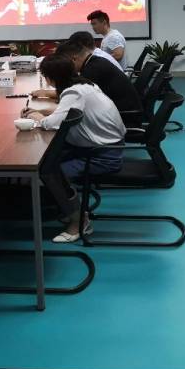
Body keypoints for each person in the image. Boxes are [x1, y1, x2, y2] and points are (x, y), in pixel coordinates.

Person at [22, 55, 126, 243]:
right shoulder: (85, 85)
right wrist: (44, 112)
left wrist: (37, 116)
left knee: (49, 173)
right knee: (49, 160)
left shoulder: (74, 93)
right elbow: (69, 112)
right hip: (104, 146)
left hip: (101, 155)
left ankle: (79, 221)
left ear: (51, 78)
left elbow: (51, 124)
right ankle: (65, 206)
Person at [33, 40, 143, 126]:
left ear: (73, 59)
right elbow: (68, 110)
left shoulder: (91, 71)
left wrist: (37, 115)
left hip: (125, 118)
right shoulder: (94, 64)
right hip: (115, 119)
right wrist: (42, 111)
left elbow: (51, 122)